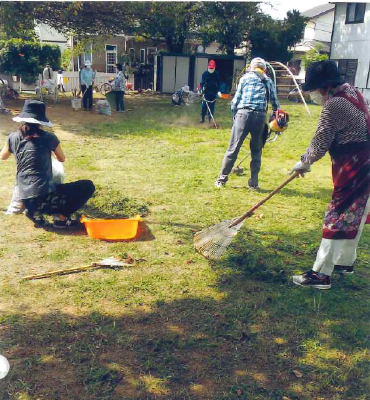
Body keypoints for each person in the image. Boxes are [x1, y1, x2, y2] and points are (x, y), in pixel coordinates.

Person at [290, 60, 370, 290]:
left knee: (339, 215)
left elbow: (321, 140)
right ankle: (345, 262)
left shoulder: (335, 105)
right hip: (366, 162)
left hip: (355, 166)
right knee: (357, 212)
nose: (313, 95)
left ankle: (321, 275)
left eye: (314, 90)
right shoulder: (354, 92)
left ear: (325, 87)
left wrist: (304, 162)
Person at [0, 100, 95, 228]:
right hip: (46, 197)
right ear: (41, 121)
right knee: (88, 186)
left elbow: (3, 156)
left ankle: (36, 213)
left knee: (42, 191)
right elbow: (61, 158)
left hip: (25, 198)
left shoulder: (13, 137)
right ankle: (61, 219)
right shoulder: (49, 137)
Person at [214, 57, 280, 190]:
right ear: (265, 69)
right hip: (260, 117)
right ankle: (254, 184)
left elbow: (235, 101)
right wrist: (275, 117)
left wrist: (234, 117)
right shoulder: (268, 80)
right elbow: (275, 103)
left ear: (251, 67)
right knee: (256, 150)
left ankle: (221, 180)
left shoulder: (244, 78)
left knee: (233, 148)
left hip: (243, 114)